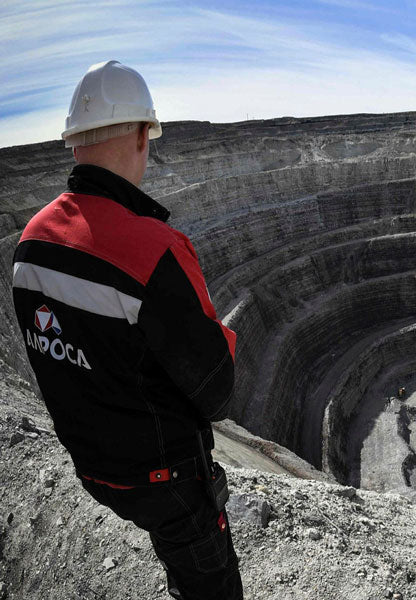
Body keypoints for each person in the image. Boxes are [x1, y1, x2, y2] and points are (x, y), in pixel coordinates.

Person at [10, 60, 243, 600]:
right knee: (208, 582)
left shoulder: (30, 242)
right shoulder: (154, 251)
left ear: (74, 144)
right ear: (143, 135)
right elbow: (217, 392)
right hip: (166, 484)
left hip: (95, 471)